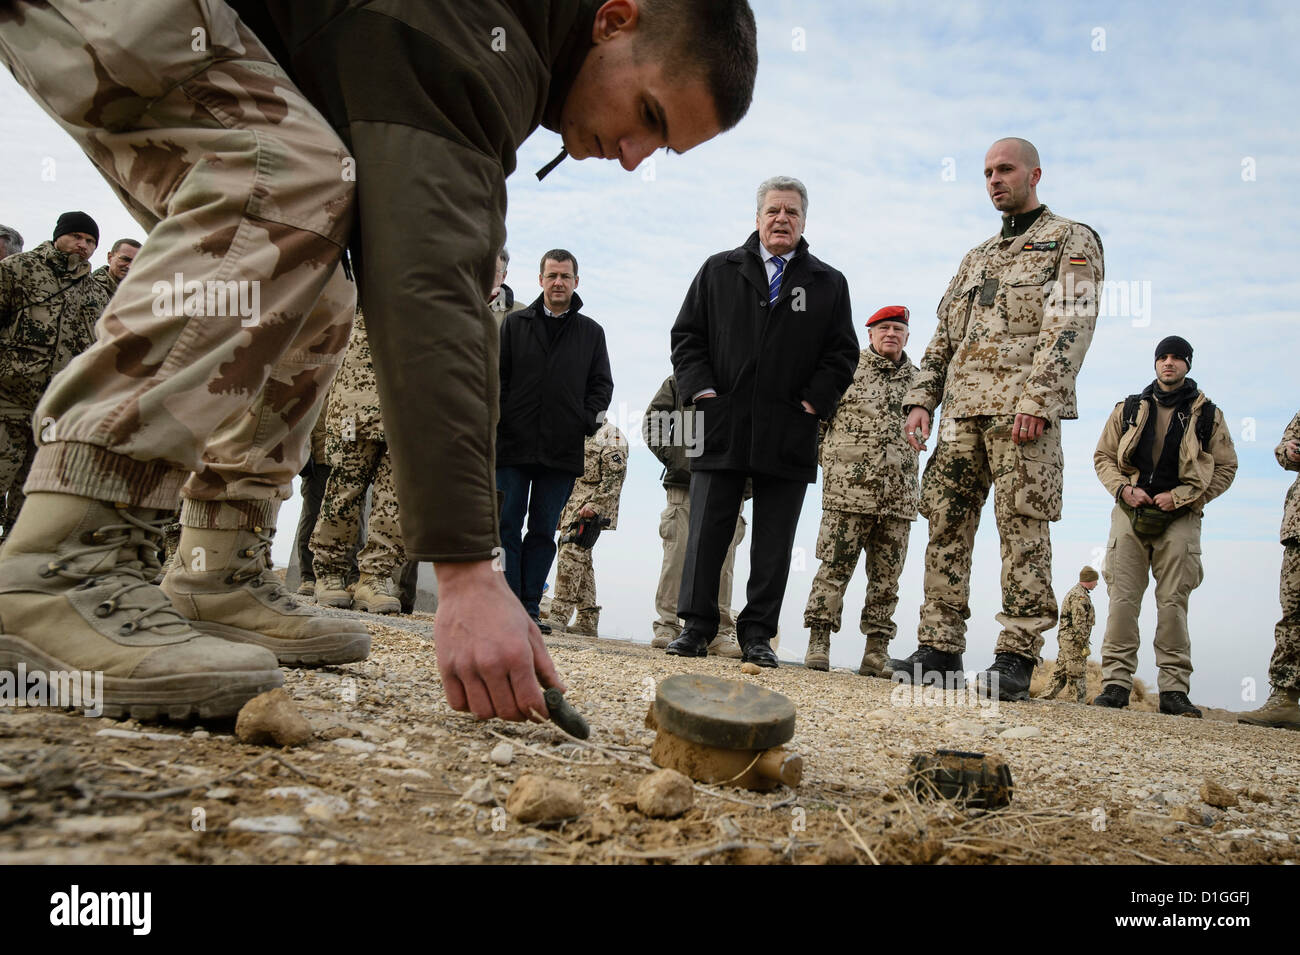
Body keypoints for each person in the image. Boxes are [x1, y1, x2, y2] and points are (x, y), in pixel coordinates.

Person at [0, 0, 757, 722]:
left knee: (324, 277)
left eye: (660, 148)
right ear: (614, 21)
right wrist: (466, 572)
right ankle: (61, 562)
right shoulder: (481, 32)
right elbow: (429, 277)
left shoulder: (514, 41)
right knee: (287, 179)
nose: (633, 157)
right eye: (650, 118)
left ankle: (213, 564)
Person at [891, 138, 1104, 701]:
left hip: (1020, 413)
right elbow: (944, 337)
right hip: (961, 413)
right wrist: (922, 398)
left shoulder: (1070, 240)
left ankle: (1016, 654)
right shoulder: (977, 257)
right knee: (945, 525)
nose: (994, 180)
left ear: (1035, 173)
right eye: (987, 172)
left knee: (1023, 527)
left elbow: (1071, 323)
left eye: (1004, 169)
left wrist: (1039, 398)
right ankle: (938, 647)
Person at [667, 175, 859, 667]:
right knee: (709, 528)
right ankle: (696, 626)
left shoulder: (827, 283)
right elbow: (687, 336)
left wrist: (815, 403)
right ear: (757, 218)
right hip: (722, 418)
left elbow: (841, 353)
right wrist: (703, 393)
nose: (782, 219)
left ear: (803, 221)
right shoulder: (718, 271)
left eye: (792, 212)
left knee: (775, 539)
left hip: (789, 425)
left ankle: (757, 635)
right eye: (774, 211)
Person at [1092, 336, 1236, 718]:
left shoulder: (1208, 415)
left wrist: (1187, 498)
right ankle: (1116, 685)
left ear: (1187, 364)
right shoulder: (1128, 409)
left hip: (1181, 517)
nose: (1168, 363)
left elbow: (1226, 467)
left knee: (1173, 604)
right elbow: (1103, 456)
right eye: (1163, 357)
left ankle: (1173, 691)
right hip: (1130, 513)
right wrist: (1124, 489)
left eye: (1176, 358)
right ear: (1155, 364)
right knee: (1122, 600)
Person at [497, 250, 614, 631]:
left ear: (576, 282)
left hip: (561, 451)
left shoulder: (591, 333)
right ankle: (506, 603)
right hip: (513, 446)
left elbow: (602, 387)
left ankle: (530, 607)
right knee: (505, 524)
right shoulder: (515, 326)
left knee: (545, 530)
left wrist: (583, 422)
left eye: (565, 276)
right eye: (552, 275)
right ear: (540, 280)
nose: (558, 282)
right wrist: (501, 420)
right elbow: (498, 379)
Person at [803, 305, 918, 675]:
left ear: (907, 337)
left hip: (898, 498)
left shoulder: (919, 383)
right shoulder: (845, 370)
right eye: (883, 328)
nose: (891, 334)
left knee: (887, 580)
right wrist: (837, 468)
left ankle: (876, 651)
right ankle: (819, 641)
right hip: (847, 494)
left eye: (898, 329)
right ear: (869, 334)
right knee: (833, 570)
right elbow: (818, 426)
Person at [0, 211, 109, 542]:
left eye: (90, 241)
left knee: (32, 494)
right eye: (77, 236)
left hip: (55, 411)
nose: (83, 245)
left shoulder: (94, 293)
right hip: (8, 400)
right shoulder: (17, 270)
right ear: (58, 235)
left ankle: (12, 568)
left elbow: (99, 350)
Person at [310, 310, 406, 614]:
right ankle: (329, 572)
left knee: (395, 500)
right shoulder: (367, 270)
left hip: (410, 403)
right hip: (357, 399)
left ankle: (375, 578)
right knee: (343, 493)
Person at [644, 374, 744, 658]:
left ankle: (719, 632)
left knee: (723, 562)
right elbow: (655, 418)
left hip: (731, 480)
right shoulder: (681, 378)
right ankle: (668, 625)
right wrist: (674, 457)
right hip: (685, 482)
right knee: (677, 555)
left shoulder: (746, 374)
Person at [1239, 412, 1300, 730]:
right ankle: (1285, 698)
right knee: (1294, 613)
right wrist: (1289, 450)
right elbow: (1283, 450)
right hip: (1299, 529)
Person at [546, 420, 628, 636]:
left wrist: (596, 504)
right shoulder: (574, 432)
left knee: (571, 555)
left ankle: (559, 614)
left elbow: (615, 477)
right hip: (569, 505)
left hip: (589, 508)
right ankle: (587, 619)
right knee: (581, 560)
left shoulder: (611, 435)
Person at [1037, 566, 1098, 703]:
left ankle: (1045, 697)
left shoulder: (1078, 593)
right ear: (1089, 580)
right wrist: (1083, 643)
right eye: (1095, 580)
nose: (1097, 583)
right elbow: (1079, 622)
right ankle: (1077, 701)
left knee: (1061, 671)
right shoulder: (1079, 596)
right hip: (1073, 640)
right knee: (1077, 670)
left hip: (1068, 639)